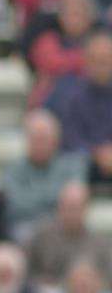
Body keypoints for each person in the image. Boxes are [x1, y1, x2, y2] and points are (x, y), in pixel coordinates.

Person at [3, 109, 88, 241]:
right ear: (27, 140)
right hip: (27, 230)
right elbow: (16, 205)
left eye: (44, 139)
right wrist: (56, 198)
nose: (40, 145)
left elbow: (76, 201)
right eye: (36, 139)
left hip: (65, 229)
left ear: (56, 140)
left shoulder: (72, 166)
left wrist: (33, 196)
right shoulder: (12, 170)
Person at [47, 31, 112, 191]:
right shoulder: (68, 93)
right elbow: (69, 138)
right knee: (73, 163)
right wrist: (97, 154)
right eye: (96, 60)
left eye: (105, 60)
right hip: (83, 163)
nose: (101, 66)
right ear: (86, 61)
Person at [27, 181, 112, 291]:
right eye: (68, 207)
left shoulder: (101, 244)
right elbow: (27, 273)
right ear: (59, 207)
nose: (72, 213)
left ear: (86, 209)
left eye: (76, 208)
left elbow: (107, 279)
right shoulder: (41, 236)